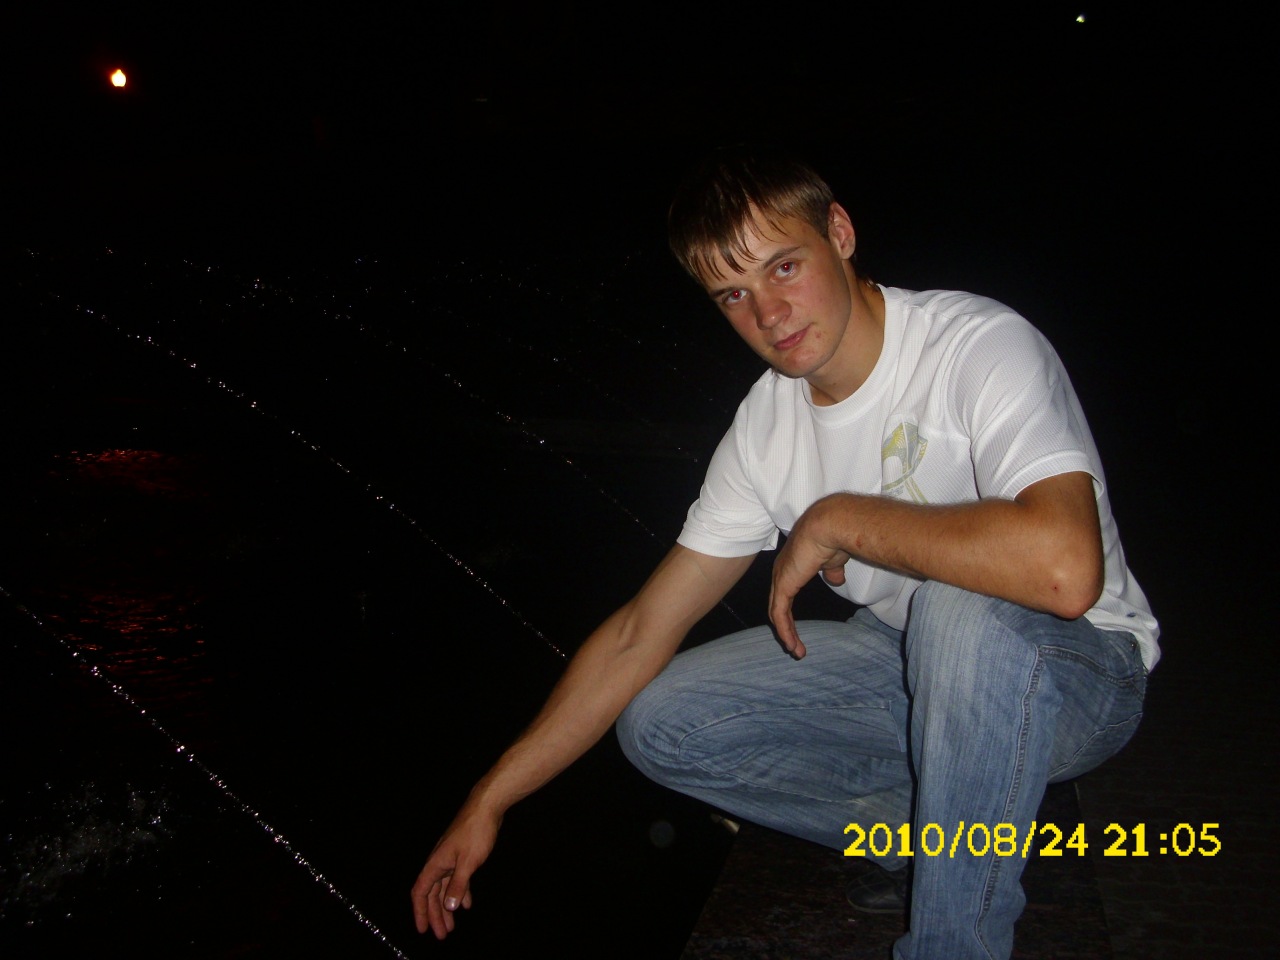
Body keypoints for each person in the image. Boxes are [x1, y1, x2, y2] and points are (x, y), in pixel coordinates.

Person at [410, 146, 1158, 959]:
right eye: (733, 295)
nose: (768, 314)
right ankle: (928, 838)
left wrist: (841, 519)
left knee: (961, 609)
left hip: (1080, 670)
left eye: (784, 267)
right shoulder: (765, 429)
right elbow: (636, 633)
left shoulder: (975, 345)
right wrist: (489, 799)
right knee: (662, 722)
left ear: (840, 233)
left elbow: (1064, 572)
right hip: (906, 660)